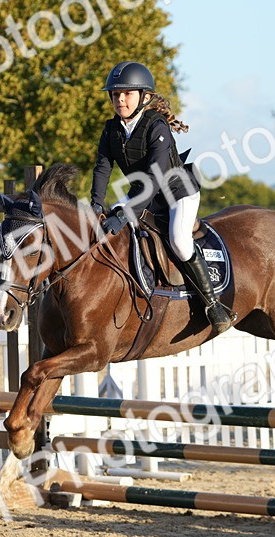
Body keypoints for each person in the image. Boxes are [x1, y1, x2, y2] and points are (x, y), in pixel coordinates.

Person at [90, 61, 237, 335]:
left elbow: (156, 176)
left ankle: (213, 304)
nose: (120, 100)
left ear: (144, 96)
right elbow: (102, 167)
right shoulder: (111, 130)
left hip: (177, 194)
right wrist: (96, 204)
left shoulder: (157, 127)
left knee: (180, 242)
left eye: (127, 94)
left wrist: (126, 213)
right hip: (145, 197)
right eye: (115, 95)